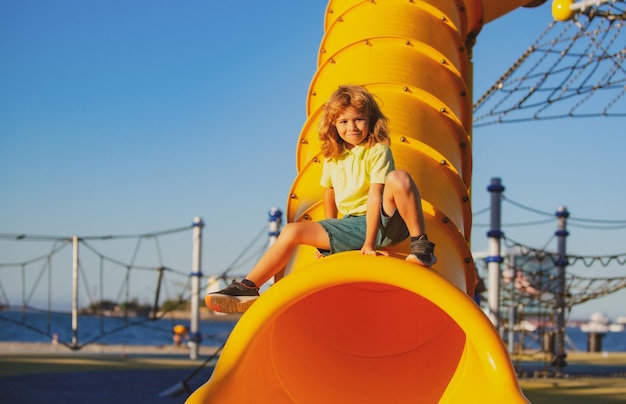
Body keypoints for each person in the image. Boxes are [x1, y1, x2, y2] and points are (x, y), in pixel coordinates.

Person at [206, 84, 436, 314]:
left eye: (358, 119)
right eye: (343, 122)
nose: (351, 127)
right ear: (333, 125)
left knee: (399, 178)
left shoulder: (377, 150)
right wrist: (330, 232)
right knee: (291, 231)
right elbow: (330, 192)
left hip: (387, 221)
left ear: (371, 120)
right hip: (353, 223)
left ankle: (420, 244)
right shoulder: (332, 156)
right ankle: (248, 287)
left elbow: (375, 195)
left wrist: (369, 244)